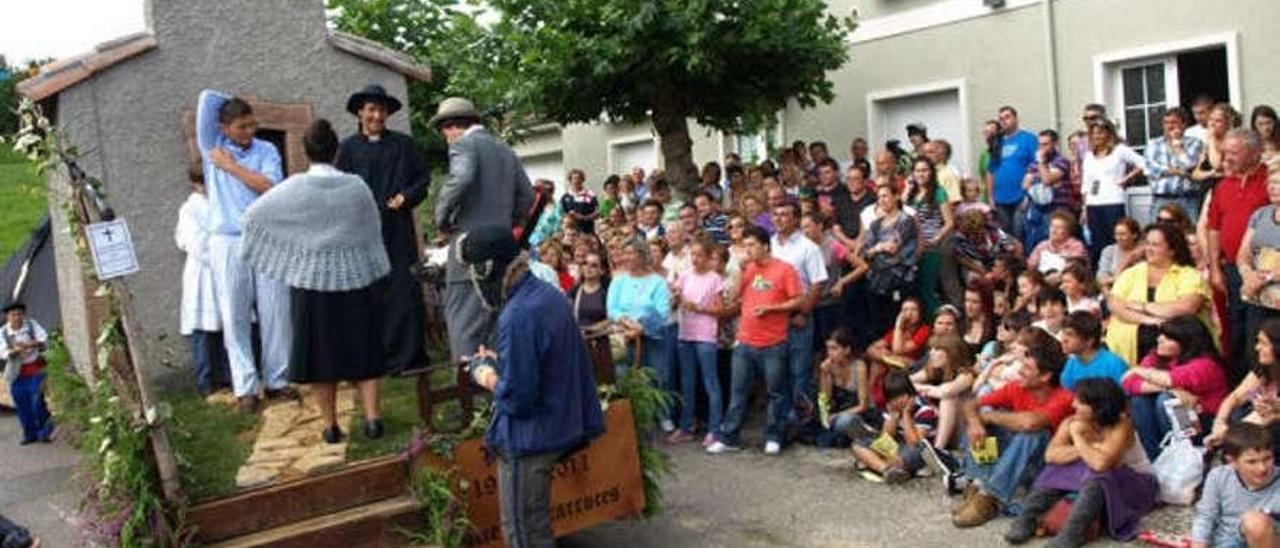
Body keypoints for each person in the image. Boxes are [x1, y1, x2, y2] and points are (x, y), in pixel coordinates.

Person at [240, 119, 391, 442]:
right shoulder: (357, 186)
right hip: (356, 280)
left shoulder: (293, 188)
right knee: (364, 350)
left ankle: (330, 426)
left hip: (310, 284)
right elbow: (371, 227)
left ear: (305, 153)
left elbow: (252, 217)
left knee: (320, 356)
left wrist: (294, 251)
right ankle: (373, 420)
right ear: (336, 152)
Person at [465, 227, 605, 548]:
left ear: (488, 270)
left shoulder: (518, 314)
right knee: (535, 527)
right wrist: (503, 361)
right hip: (556, 424)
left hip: (530, 438)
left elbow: (519, 398)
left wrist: (483, 373)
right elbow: (542, 361)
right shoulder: (546, 294)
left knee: (525, 534)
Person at [195, 89, 289, 413]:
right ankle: (246, 388)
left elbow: (269, 186)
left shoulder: (266, 150)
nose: (250, 132)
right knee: (234, 315)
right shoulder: (212, 148)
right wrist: (228, 104)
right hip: (227, 239)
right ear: (224, 128)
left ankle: (278, 380)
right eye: (242, 126)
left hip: (264, 236)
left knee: (275, 310)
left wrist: (233, 167)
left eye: (252, 125)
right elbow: (206, 99)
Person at [433, 97, 536, 363]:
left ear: (451, 126)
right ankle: (497, 394)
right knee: (496, 323)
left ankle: (469, 395)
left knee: (464, 324)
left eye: (444, 130)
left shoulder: (463, 145)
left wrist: (442, 219)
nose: (446, 137)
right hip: (501, 251)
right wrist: (507, 224)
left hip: (468, 249)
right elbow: (526, 196)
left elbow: (462, 178)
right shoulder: (504, 150)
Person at [337, 84, 431, 376]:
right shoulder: (349, 149)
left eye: (381, 110)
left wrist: (406, 196)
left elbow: (422, 178)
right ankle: (375, 357)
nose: (377, 115)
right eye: (371, 110)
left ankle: (408, 357)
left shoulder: (403, 145)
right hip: (364, 232)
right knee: (369, 293)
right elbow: (340, 186)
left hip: (398, 230)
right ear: (360, 113)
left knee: (402, 289)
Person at [1004, 378, 1159, 546]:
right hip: (1101, 479)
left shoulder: (1121, 424)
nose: (1073, 405)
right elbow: (1051, 455)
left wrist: (1078, 438)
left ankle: (1072, 534)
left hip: (1137, 485)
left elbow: (1101, 464)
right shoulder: (1071, 421)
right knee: (1055, 470)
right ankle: (1026, 520)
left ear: (1097, 406)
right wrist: (1088, 449)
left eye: (1080, 402)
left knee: (1099, 477)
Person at [952, 330, 1074, 528]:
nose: (1019, 371)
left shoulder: (1063, 397)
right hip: (1018, 461)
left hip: (1045, 470)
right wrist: (976, 421)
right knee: (980, 419)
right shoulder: (1017, 387)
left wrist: (989, 416)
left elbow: (1031, 423)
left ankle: (991, 497)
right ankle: (978, 485)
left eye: (1027, 368)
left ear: (1045, 376)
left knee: (1033, 433)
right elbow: (970, 404)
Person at [708, 225, 803, 456]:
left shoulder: (784, 270)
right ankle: (729, 437)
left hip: (773, 341)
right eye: (746, 245)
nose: (747, 249)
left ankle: (774, 435)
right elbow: (737, 296)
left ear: (765, 246)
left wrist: (772, 308)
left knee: (776, 392)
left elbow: (798, 300)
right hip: (745, 340)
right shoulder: (748, 270)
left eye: (752, 245)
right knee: (738, 392)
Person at [1209, 128, 1270, 381]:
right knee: (1237, 330)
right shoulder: (1223, 185)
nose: (1227, 158)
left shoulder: (1271, 181)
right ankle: (1238, 387)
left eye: (1233, 152)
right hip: (1232, 269)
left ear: (1254, 152)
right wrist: (1214, 267)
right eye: (1224, 152)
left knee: (1261, 331)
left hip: (1265, 272)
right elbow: (1214, 227)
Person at [1106, 223, 1214, 366]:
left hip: (1173, 348)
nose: (1148, 249)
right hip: (1125, 347)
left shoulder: (1189, 275)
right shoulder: (1131, 273)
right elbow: (1115, 305)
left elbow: (1186, 307)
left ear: (1172, 250)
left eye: (1155, 245)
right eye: (1147, 243)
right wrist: (1147, 319)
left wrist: (1144, 306)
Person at [1122, 314, 1228, 459]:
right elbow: (1129, 383)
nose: (1159, 339)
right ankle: (1157, 460)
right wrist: (1171, 389)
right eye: (1161, 335)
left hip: (1204, 425)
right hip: (1174, 421)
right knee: (1139, 400)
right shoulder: (1158, 356)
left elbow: (1170, 379)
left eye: (1168, 338)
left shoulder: (1206, 364)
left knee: (1168, 400)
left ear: (1186, 342)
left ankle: (1183, 457)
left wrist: (1137, 370)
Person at [769, 201, 828, 419]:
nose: (779, 218)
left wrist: (804, 313)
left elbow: (818, 283)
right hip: (773, 317)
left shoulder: (808, 247)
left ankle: (799, 419)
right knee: (776, 372)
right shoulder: (770, 244)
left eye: (785, 214)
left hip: (798, 318)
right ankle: (780, 418)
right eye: (776, 214)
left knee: (799, 371)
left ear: (795, 219)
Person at [174, 163, 229, 397]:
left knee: (228, 327)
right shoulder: (190, 210)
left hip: (225, 271)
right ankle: (206, 384)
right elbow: (194, 241)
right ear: (195, 183)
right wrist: (221, 253)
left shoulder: (223, 203)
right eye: (203, 182)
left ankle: (229, 378)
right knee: (204, 331)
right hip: (204, 274)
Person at [606, 238, 674, 427]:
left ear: (642, 255)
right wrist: (627, 323)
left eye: (630, 253)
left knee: (656, 377)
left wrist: (640, 325)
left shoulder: (658, 282)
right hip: (623, 335)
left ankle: (662, 416)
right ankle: (631, 418)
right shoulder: (618, 281)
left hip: (651, 336)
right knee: (624, 376)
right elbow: (612, 308)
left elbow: (662, 311)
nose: (626, 257)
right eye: (624, 253)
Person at [1192, 423, 1280, 548]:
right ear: (1232, 462)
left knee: (1255, 522)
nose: (1262, 468)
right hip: (1229, 540)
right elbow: (1206, 516)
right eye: (1252, 462)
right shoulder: (1219, 476)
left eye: (1267, 458)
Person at [672, 238, 725, 445]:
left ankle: (714, 429)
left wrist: (698, 308)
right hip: (686, 334)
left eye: (699, 255)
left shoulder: (714, 279)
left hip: (705, 336)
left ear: (708, 256)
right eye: (692, 255)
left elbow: (720, 309)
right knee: (687, 383)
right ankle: (686, 427)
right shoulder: (684, 275)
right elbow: (676, 298)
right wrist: (675, 297)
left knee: (710, 382)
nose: (695, 259)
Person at [1206, 320, 1280, 453]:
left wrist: (1228, 435)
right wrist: (1219, 423)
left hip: (1270, 433)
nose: (1257, 347)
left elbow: (1267, 417)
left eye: (1264, 343)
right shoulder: (1263, 370)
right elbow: (1235, 397)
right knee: (1236, 411)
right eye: (1258, 342)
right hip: (1254, 423)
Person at [1081, 119, 1146, 261]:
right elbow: (1086, 183)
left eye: (1100, 132)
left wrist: (1127, 178)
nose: (1097, 136)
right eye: (1093, 133)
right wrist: (1085, 207)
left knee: (1115, 240)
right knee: (1097, 243)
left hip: (1113, 201)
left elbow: (1143, 162)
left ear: (1109, 133)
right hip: (1094, 203)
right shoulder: (1088, 156)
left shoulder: (1119, 150)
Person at [862, 184, 919, 336]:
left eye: (885, 195)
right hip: (875, 282)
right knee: (876, 324)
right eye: (879, 197)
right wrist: (879, 248)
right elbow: (865, 253)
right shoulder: (875, 225)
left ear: (896, 196)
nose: (882, 200)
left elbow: (897, 252)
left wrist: (875, 254)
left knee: (897, 324)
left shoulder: (906, 221)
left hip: (899, 280)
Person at [851, 370, 926, 484]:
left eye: (901, 396)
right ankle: (886, 469)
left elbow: (914, 443)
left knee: (910, 453)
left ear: (910, 393)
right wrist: (893, 418)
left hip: (915, 451)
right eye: (893, 398)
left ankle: (873, 464)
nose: (897, 401)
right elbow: (885, 440)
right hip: (896, 447)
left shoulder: (924, 411)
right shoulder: (892, 409)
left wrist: (906, 414)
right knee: (858, 444)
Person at [1239, 171, 1280, 376]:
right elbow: (1243, 255)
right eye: (1271, 182)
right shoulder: (1261, 214)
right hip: (1258, 298)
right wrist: (1248, 274)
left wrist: (1266, 276)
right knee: (1256, 356)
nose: (1273, 187)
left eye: (1278, 183)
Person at [908, 157, 957, 314]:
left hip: (931, 247)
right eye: (917, 171)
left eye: (924, 170)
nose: (921, 174)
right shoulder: (911, 193)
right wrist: (906, 190)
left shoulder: (938, 192)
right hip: (912, 248)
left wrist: (936, 238)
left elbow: (949, 222)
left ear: (931, 173)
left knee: (928, 289)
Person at [911, 333, 975, 452]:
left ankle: (937, 451)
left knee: (949, 400)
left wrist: (920, 388)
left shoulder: (966, 375)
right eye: (931, 349)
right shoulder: (933, 370)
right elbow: (906, 382)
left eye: (937, 349)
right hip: (937, 425)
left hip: (962, 430)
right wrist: (923, 389)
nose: (931, 353)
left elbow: (945, 392)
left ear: (952, 353)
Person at [1, 302, 53, 445]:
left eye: (19, 314)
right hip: (16, 373)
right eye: (13, 315)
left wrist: (30, 344)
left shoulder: (31, 325)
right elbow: (3, 352)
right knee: (22, 404)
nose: (17, 317)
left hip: (35, 368)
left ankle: (45, 430)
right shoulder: (3, 332)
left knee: (36, 401)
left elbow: (44, 339)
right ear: (7, 317)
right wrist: (15, 351)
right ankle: (30, 434)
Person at [1145, 107, 1205, 222]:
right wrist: (1180, 172)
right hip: (1161, 199)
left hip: (1187, 199)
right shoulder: (1153, 144)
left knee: (1189, 235)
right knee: (1158, 234)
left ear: (1183, 124)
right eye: (1166, 122)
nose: (1169, 126)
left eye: (1173, 122)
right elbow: (1151, 170)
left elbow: (1190, 166)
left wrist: (1178, 146)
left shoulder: (1195, 143)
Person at [989, 106, 1038, 238]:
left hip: (1020, 197)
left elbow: (1036, 167)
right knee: (1004, 238)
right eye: (1001, 119)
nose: (1004, 121)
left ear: (1016, 119)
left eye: (1007, 117)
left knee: (1019, 234)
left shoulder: (1029, 139)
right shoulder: (996, 142)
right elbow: (991, 171)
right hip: (1000, 199)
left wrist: (1029, 196)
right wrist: (990, 197)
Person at [1021, 130, 1073, 250]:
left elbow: (1047, 180)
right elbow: (1025, 184)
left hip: (1056, 209)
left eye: (1045, 144)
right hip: (1036, 209)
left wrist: (1040, 165)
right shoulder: (1033, 164)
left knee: (1053, 242)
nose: (1041, 148)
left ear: (1054, 144)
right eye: (1039, 144)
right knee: (1034, 242)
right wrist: (1038, 176)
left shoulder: (1061, 161)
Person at [1059, 311, 1127, 391]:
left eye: (1070, 335)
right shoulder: (1071, 364)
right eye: (1063, 333)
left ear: (1089, 341)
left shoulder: (1114, 364)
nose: (1063, 339)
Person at [1026, 210, 1087, 276]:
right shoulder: (1042, 246)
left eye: (1059, 227)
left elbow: (1076, 268)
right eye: (1052, 226)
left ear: (1068, 231)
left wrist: (1059, 276)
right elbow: (1030, 266)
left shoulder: (1076, 246)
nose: (1054, 230)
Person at [1097, 217, 1142, 291]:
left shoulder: (1142, 251)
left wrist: (1113, 279)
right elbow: (1101, 277)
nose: (1118, 238)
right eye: (1116, 234)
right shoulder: (1109, 251)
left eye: (1123, 234)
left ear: (1134, 235)